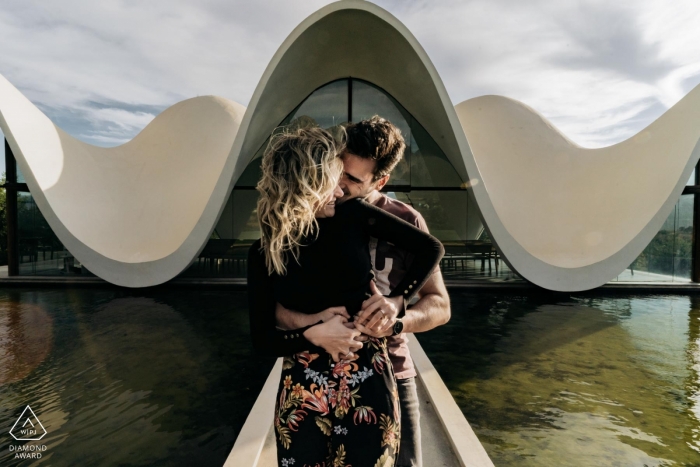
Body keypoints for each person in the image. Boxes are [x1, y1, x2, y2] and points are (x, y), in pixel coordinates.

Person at [247, 126, 444, 467]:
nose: (340, 189)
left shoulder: (395, 218)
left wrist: (397, 307)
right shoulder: (273, 246)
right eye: (335, 174)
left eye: (350, 179)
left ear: (378, 183)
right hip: (307, 375)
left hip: (385, 367)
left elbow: (439, 303)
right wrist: (312, 327)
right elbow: (269, 320)